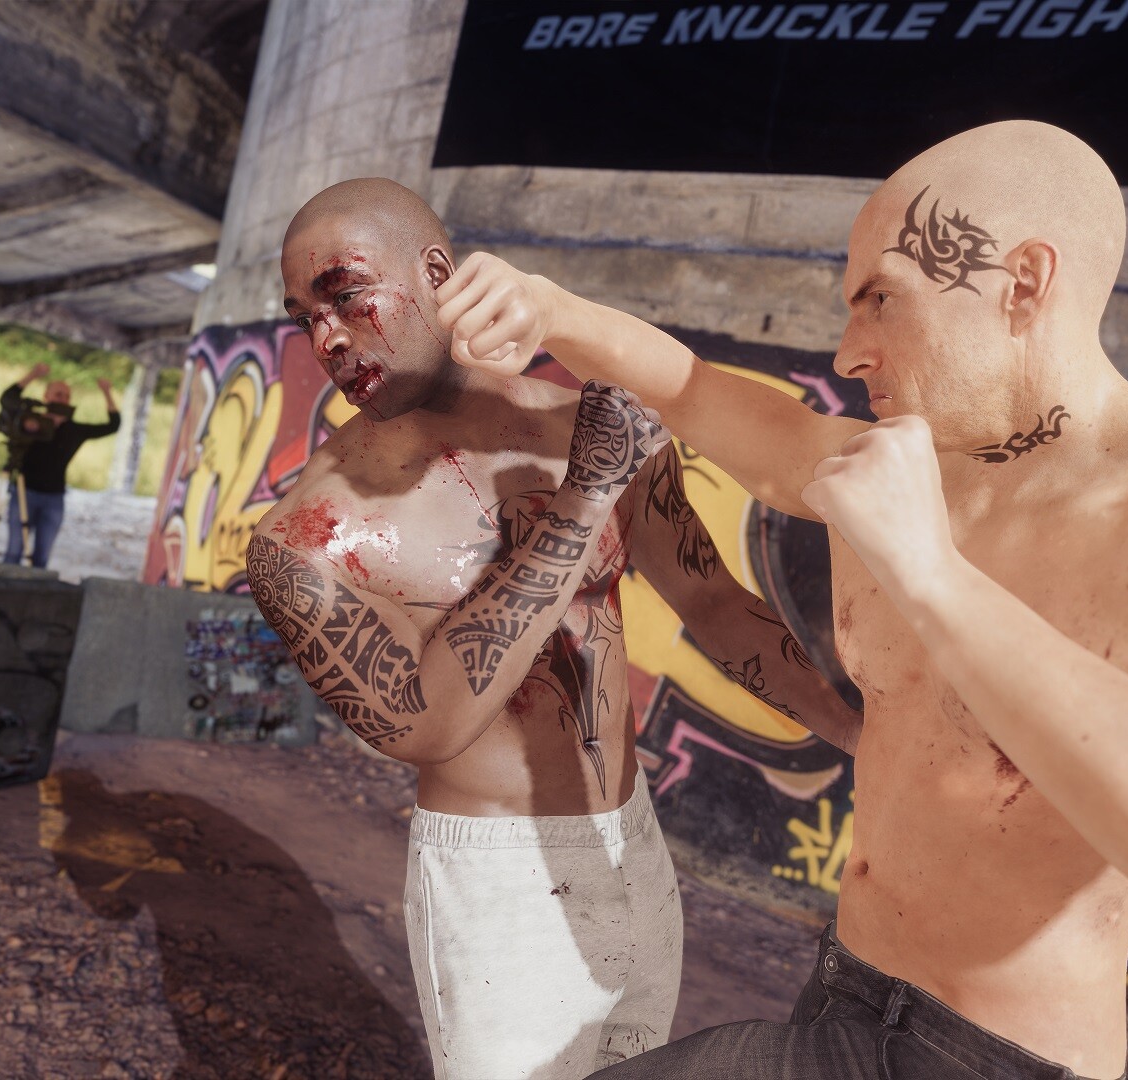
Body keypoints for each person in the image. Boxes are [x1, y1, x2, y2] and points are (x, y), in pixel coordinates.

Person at [436, 122, 1128, 1079]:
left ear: (1025, 281)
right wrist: (554, 309)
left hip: (1000, 1056)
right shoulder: (916, 467)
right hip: (839, 998)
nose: (848, 352)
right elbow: (697, 390)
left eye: (882, 298)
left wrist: (935, 579)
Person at [246, 178, 861, 1079]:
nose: (326, 338)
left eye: (345, 295)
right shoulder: (304, 539)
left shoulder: (590, 422)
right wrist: (585, 497)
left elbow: (713, 603)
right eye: (305, 318)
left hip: (633, 842)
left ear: (436, 273)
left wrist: (857, 734)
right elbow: (425, 724)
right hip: (499, 883)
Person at [0, 365, 118, 568]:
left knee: (41, 557)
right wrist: (33, 375)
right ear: (46, 396)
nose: (62, 399)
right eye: (58, 394)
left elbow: (113, 425)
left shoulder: (74, 430)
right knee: (14, 551)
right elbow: (8, 399)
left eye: (66, 396)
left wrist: (107, 392)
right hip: (24, 491)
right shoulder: (31, 421)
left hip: (54, 498)